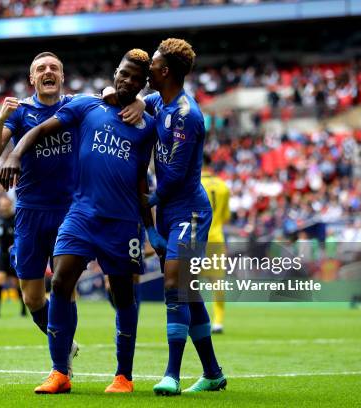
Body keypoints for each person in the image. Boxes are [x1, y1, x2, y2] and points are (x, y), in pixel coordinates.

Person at [0, 49, 166, 395]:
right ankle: (60, 372)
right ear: (115, 73)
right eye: (123, 73)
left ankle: (124, 376)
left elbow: (140, 180)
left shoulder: (148, 125)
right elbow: (41, 129)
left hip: (122, 221)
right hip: (80, 215)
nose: (126, 81)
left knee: (122, 295)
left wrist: (150, 228)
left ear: (143, 83)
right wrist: (14, 154)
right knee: (60, 282)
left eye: (135, 78)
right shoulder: (87, 105)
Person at [142, 38, 227, 395]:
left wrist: (147, 203)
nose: (148, 69)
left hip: (190, 211)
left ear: (165, 72)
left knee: (175, 284)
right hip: (169, 214)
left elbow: (174, 175)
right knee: (189, 294)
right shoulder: (156, 101)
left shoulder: (186, 115)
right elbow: (125, 98)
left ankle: (171, 375)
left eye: (153, 65)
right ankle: (212, 373)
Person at [200, 153, 230, 334]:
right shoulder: (223, 186)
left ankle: (191, 320)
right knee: (217, 282)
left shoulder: (194, 183)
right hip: (217, 237)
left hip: (197, 238)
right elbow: (226, 216)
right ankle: (218, 321)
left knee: (188, 283)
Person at [0, 195, 27, 317]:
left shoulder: (17, 218)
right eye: (2, 205)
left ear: (10, 205)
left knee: (17, 284)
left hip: (16, 256)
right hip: (3, 256)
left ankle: (23, 311)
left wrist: (16, 247)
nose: (3, 207)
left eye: (6, 205)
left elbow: (23, 236)